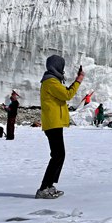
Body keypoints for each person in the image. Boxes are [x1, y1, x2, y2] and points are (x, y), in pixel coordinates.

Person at [37, 55, 84, 199]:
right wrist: (78, 81)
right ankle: (44, 188)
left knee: (59, 155)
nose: (62, 69)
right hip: (53, 123)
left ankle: (49, 186)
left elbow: (63, 94)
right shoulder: (51, 81)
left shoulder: (52, 80)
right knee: (57, 155)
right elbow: (67, 94)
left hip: (54, 122)